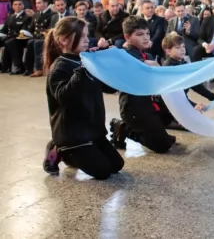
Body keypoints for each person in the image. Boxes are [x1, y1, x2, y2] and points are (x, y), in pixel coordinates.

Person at [42, 17, 124, 179]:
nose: (88, 40)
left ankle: (76, 154)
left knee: (116, 165)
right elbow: (65, 97)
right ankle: (61, 149)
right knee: (103, 171)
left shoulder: (85, 60)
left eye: (88, 35)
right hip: (73, 134)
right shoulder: (60, 67)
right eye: (82, 36)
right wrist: (83, 70)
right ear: (64, 40)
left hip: (93, 130)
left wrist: (106, 65)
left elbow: (108, 87)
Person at [109, 16, 176, 153]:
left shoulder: (148, 56)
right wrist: (144, 66)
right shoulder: (124, 56)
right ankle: (123, 128)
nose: (145, 38)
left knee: (170, 125)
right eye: (140, 35)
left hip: (150, 103)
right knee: (163, 146)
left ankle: (155, 132)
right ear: (127, 37)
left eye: (147, 34)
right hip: (134, 108)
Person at [160, 32, 214, 129]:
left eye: (183, 46)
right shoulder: (168, 68)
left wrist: (212, 97)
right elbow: (174, 96)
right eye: (177, 48)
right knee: (193, 124)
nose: (182, 50)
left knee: (198, 120)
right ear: (168, 51)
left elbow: (195, 85)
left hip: (181, 100)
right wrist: (192, 106)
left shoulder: (184, 63)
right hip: (169, 105)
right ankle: (168, 120)